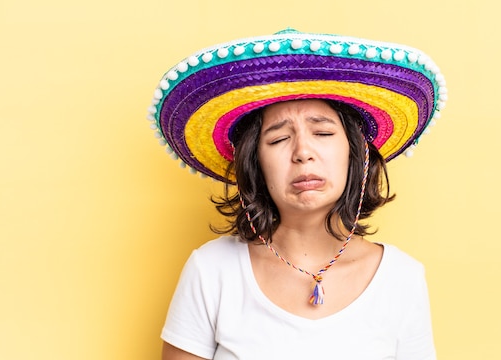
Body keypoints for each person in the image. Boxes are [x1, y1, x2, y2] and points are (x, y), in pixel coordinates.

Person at [147, 29, 447, 360]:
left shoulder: (402, 278)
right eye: (278, 140)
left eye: (322, 132)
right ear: (254, 163)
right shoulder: (211, 271)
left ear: (354, 152)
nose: (303, 152)